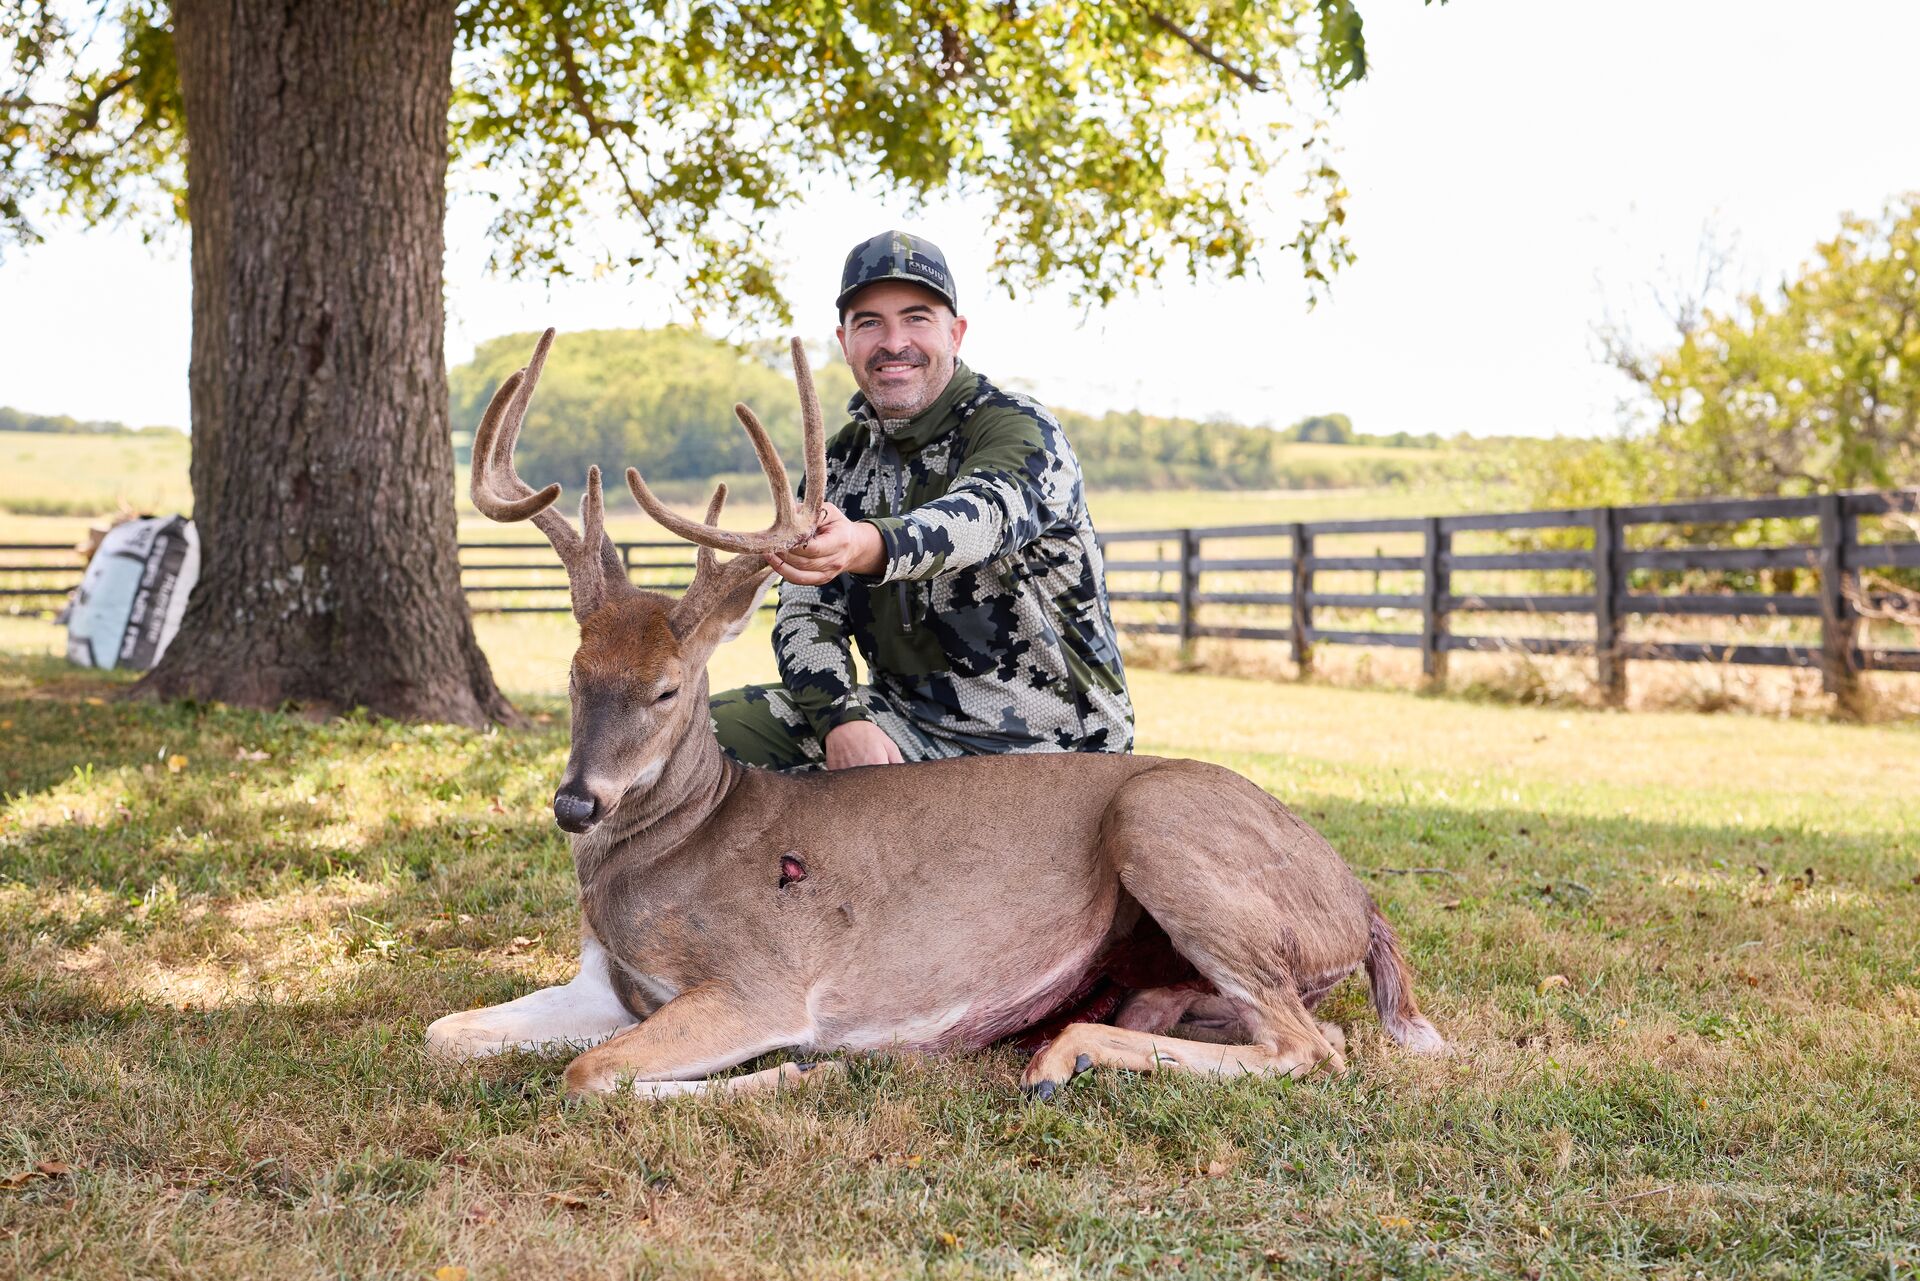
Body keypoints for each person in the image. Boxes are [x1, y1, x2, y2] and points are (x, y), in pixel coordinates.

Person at [710, 230, 1133, 771]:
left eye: (916, 318)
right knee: (701, 739)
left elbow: (980, 518)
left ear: (955, 333)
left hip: (1053, 743)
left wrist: (864, 543)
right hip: (905, 727)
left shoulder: (1017, 428)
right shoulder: (840, 461)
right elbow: (807, 609)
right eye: (869, 323)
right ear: (844, 342)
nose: (893, 343)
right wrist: (841, 718)